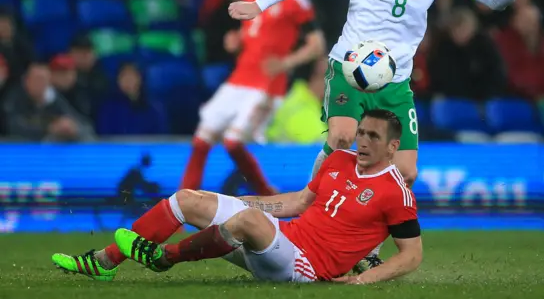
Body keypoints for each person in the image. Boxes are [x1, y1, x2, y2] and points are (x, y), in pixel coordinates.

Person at [228, 0, 538, 268]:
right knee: (342, 136)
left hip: (395, 82)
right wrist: (259, 4)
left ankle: (367, 250)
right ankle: (312, 205)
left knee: (405, 173)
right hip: (349, 68)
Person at [52, 109, 421, 284]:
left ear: (392, 146)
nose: (363, 141)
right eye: (361, 133)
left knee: (248, 221)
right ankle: (105, 261)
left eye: (374, 136)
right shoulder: (338, 161)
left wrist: (358, 281)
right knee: (189, 199)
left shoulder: (397, 193)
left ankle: (163, 258)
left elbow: (411, 256)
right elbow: (297, 203)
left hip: (305, 268)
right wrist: (239, 203)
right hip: (283, 242)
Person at [180, 0, 325, 195]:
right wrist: (235, 42)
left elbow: (317, 45)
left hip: (267, 86)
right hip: (238, 80)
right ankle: (182, 200)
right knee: (200, 140)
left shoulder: (297, 2)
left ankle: (265, 192)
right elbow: (251, 39)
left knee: (233, 142)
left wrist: (286, 63)